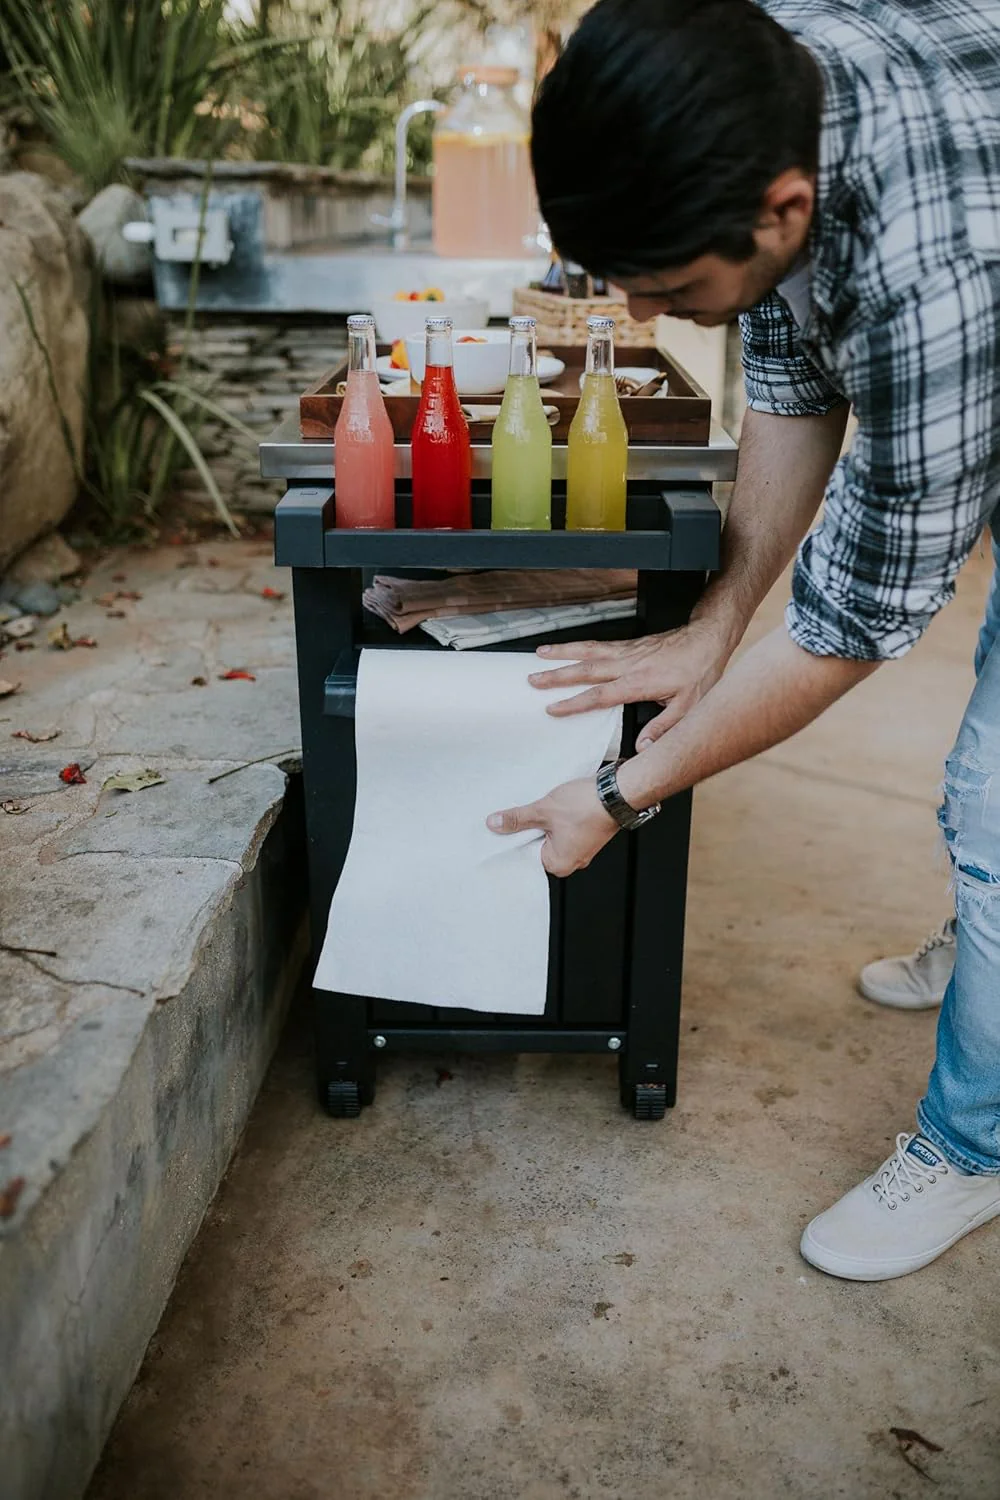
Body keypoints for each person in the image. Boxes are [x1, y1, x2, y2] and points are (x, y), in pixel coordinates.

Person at [487, 0, 1000, 1281]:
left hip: (971, 290)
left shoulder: (931, 270)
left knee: (995, 814)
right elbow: (785, 368)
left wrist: (617, 792)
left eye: (671, 293)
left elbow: (855, 622)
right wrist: (715, 624)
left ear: (781, 207)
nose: (653, 310)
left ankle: (974, 1142)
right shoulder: (747, 81)